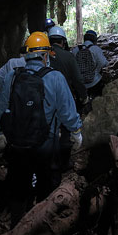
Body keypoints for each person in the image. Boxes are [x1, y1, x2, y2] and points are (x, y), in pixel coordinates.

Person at [0, 32, 83, 227]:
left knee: (18, 186)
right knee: (47, 184)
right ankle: (41, 227)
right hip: (45, 144)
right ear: (45, 55)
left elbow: (1, 108)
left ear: (27, 55)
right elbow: (67, 111)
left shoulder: (13, 76)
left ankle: (17, 226)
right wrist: (76, 131)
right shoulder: (55, 78)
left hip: (17, 144)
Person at [48, 26, 88, 168]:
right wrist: (83, 96)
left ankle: (48, 161)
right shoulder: (68, 56)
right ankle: (64, 163)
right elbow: (77, 79)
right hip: (65, 97)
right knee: (65, 131)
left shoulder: (43, 55)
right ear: (63, 41)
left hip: (46, 98)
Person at [72, 30, 108, 101]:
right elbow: (103, 63)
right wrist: (96, 70)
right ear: (94, 39)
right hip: (95, 82)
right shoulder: (96, 49)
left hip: (81, 84)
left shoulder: (75, 50)